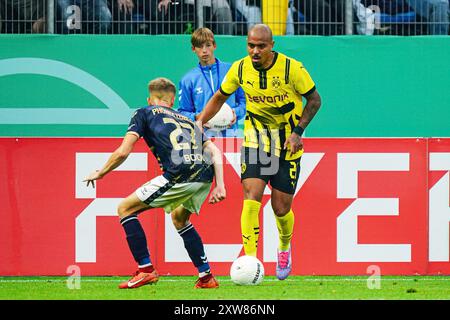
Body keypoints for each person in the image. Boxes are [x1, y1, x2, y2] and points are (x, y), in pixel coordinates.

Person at [196, 24, 321, 280]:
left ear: (272, 46)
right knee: (251, 194)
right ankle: (251, 259)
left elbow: (315, 100)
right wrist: (200, 122)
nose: (255, 51)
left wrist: (298, 132)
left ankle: (284, 247)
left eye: (261, 46)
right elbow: (220, 96)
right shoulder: (240, 68)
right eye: (251, 45)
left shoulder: (291, 68)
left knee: (281, 208)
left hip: (288, 143)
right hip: (256, 139)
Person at [83, 77, 226, 289]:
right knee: (180, 218)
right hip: (205, 176)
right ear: (171, 100)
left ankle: (146, 269)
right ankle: (206, 277)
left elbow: (124, 151)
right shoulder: (186, 120)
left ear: (150, 99)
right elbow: (213, 150)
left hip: (179, 174)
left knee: (125, 209)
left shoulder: (144, 112)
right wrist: (220, 185)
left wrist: (101, 172)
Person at [178, 27, 246, 137]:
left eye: (208, 45)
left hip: (230, 135)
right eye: (200, 46)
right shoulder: (188, 79)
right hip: (204, 137)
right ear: (193, 49)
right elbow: (182, 112)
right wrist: (198, 117)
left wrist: (236, 113)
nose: (204, 50)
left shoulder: (232, 70)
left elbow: (244, 102)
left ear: (214, 46)